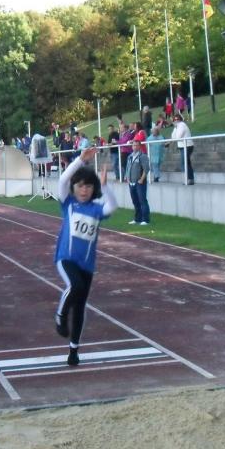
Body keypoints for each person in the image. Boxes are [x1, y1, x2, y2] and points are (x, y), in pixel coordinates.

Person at [54, 147, 117, 366]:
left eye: (89, 186)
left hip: (87, 265)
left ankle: (74, 350)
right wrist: (80, 160)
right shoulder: (68, 204)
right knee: (75, 286)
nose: (84, 190)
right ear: (74, 187)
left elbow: (112, 205)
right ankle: (60, 316)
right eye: (80, 186)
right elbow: (63, 180)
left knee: (80, 306)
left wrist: (105, 186)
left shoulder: (97, 210)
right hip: (66, 258)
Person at [126, 139, 150, 225]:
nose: (135, 147)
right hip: (131, 183)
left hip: (139, 183)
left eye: (136, 145)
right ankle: (137, 219)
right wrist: (127, 178)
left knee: (142, 201)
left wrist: (142, 179)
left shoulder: (143, 156)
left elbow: (146, 169)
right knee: (135, 201)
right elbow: (127, 168)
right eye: (133, 145)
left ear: (140, 146)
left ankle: (145, 220)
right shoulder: (130, 156)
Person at [171, 114, 195, 184]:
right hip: (183, 146)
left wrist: (176, 127)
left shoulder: (182, 125)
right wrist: (175, 128)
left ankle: (188, 179)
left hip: (187, 146)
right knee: (187, 162)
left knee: (184, 163)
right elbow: (173, 137)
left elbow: (178, 137)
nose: (176, 121)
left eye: (177, 119)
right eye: (174, 119)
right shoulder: (177, 127)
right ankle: (190, 179)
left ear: (180, 119)